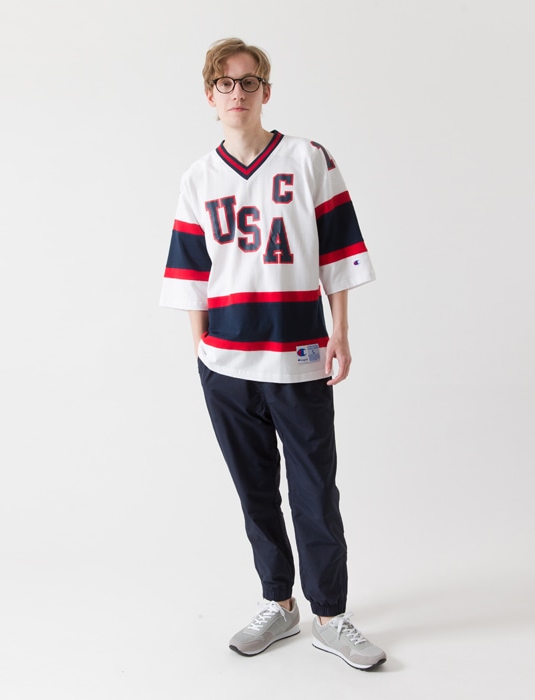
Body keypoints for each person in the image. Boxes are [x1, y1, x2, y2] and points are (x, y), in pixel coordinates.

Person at [159, 37, 386, 671]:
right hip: (226, 365)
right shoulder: (198, 178)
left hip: (299, 357)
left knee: (315, 490)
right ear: (210, 95)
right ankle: (278, 602)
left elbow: (338, 251)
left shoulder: (308, 158)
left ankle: (330, 616)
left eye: (249, 81)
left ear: (266, 90)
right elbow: (191, 274)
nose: (238, 93)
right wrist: (202, 353)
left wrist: (341, 332)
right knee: (255, 492)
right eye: (225, 83)